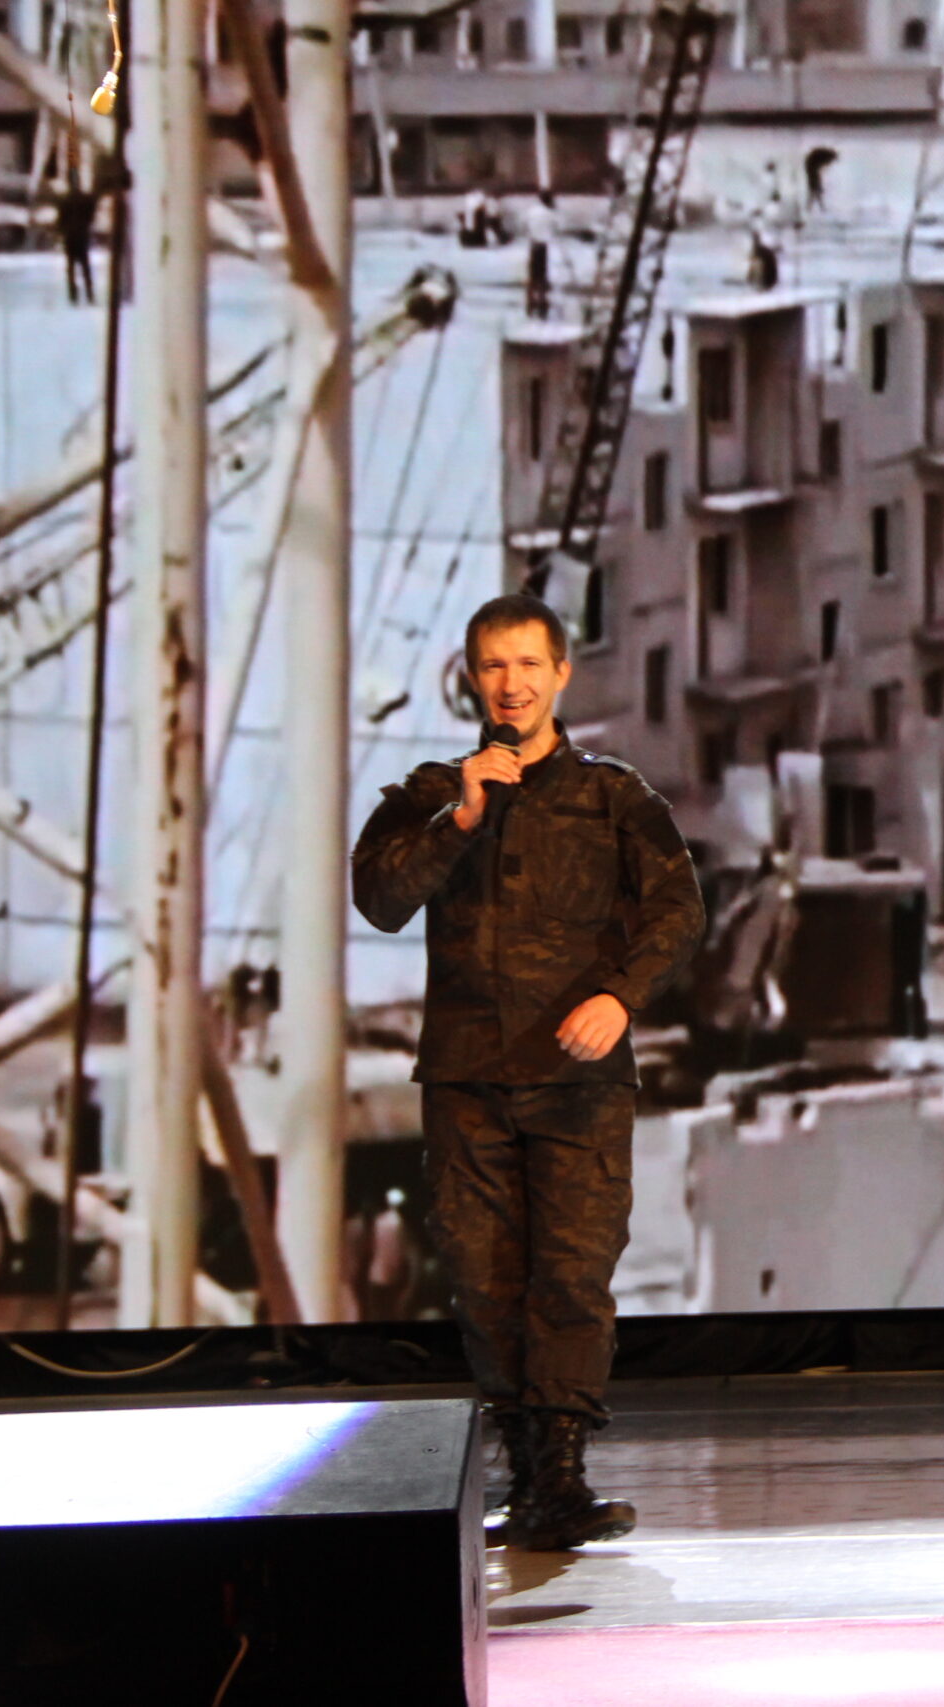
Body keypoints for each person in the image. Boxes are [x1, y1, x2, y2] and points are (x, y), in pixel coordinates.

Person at [352, 594, 706, 1551]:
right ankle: (524, 1466)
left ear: (561, 674)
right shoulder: (431, 795)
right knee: (483, 1279)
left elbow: (679, 909)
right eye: (494, 666)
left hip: (578, 1083)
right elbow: (380, 897)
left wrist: (621, 995)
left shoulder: (614, 796)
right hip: (467, 1082)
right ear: (473, 677)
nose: (511, 683)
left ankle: (560, 1477)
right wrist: (461, 818)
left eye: (528, 665)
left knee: (572, 1277)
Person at [55, 175, 99, 306]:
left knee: (71, 267)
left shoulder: (64, 200)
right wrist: (86, 224)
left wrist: (61, 232)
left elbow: (60, 220)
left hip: (70, 236)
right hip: (82, 235)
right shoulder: (86, 199)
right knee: (85, 266)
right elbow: (91, 214)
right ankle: (90, 294)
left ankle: (73, 295)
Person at [521, 190, 560, 318]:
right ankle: (542, 302)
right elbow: (557, 227)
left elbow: (524, 225)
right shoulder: (550, 213)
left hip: (533, 244)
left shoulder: (532, 211)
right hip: (543, 246)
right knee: (542, 275)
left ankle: (530, 302)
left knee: (532, 275)